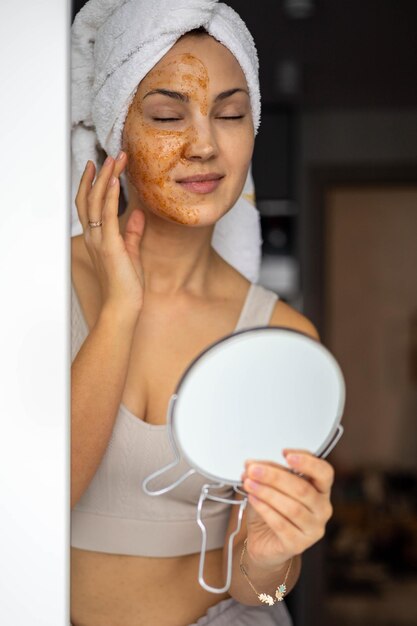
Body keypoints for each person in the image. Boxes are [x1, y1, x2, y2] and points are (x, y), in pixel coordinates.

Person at [70, 2, 335, 625]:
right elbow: (26, 509)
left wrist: (273, 558)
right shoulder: (32, 288)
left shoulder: (280, 341)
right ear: (116, 132)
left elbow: (260, 592)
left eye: (232, 114)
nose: (205, 143)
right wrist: (119, 313)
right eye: (167, 114)